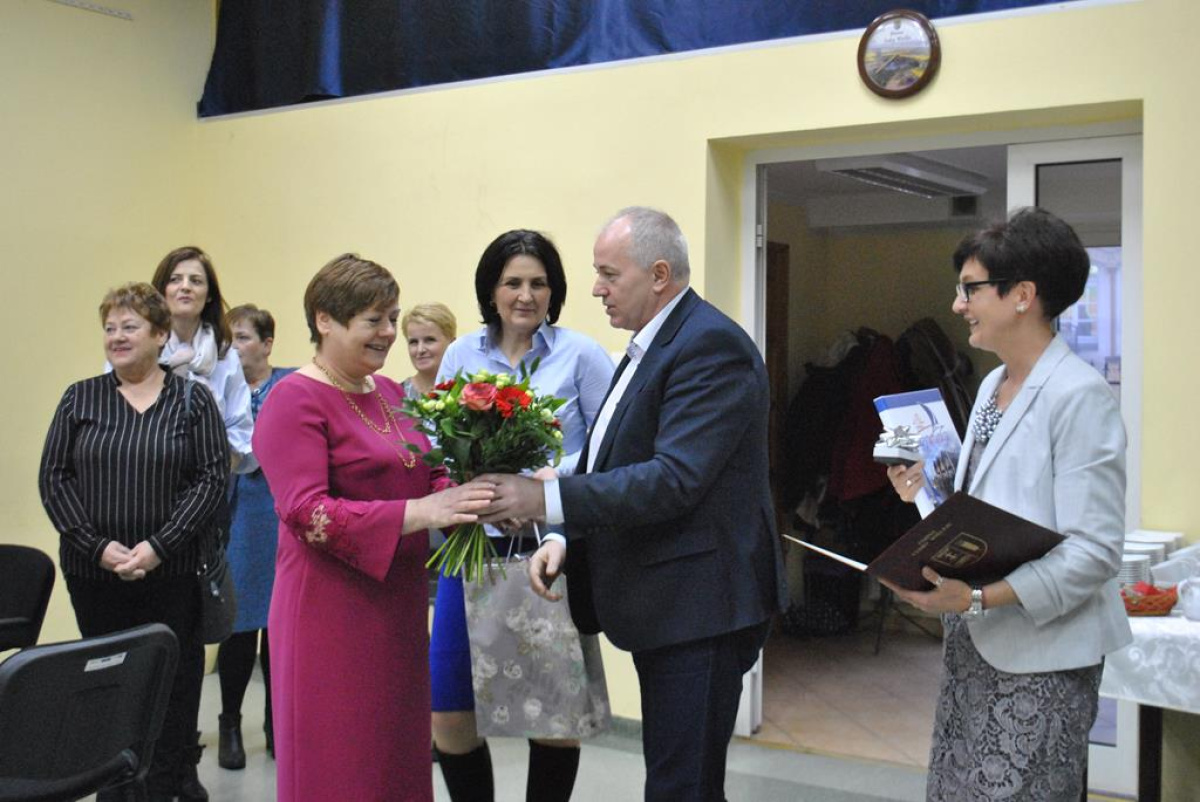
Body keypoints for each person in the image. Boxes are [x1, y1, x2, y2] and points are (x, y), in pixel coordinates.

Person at [479, 208, 787, 802]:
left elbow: (673, 480)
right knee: (679, 782)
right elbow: (613, 462)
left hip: (701, 608)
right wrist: (563, 533)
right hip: (671, 606)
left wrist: (546, 499)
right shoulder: (656, 341)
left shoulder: (710, 346)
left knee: (682, 787)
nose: (595, 288)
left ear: (659, 275)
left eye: (608, 274)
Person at [883, 207, 1131, 801]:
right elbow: (982, 505)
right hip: (973, 648)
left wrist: (977, 597)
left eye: (971, 289)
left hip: (1042, 660)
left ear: (1023, 295)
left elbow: (1095, 552)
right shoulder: (994, 385)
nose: (957, 305)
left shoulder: (1079, 396)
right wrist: (925, 491)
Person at [253, 254, 496, 802]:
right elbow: (308, 513)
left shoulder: (388, 392)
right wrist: (425, 512)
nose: (389, 333)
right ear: (324, 320)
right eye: (374, 320)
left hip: (396, 610)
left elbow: (427, 472)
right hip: (330, 616)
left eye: (392, 318)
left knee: (394, 757)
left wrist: (474, 498)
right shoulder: (292, 399)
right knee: (343, 762)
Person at [430, 229, 615, 802]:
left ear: (554, 291)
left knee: (553, 716)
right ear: (491, 290)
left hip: (547, 551)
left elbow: (611, 449)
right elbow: (441, 445)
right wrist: (476, 487)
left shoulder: (581, 355)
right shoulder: (461, 355)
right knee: (450, 715)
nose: (526, 295)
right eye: (513, 282)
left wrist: (545, 485)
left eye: (539, 283)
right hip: (470, 552)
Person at [39, 283, 229, 802]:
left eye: (130, 327)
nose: (117, 337)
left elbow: (211, 479)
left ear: (161, 335)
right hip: (94, 576)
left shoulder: (192, 399)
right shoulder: (80, 398)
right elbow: (54, 478)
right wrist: (96, 546)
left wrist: (159, 546)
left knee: (170, 687)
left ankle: (162, 785)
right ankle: (112, 787)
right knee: (108, 688)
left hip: (173, 575)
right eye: (110, 328)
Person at [214, 304, 294, 770]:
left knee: (281, 629)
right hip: (239, 514)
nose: (234, 347)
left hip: (283, 514)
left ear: (267, 344)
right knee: (239, 625)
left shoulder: (290, 385)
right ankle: (229, 723)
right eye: (228, 340)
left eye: (242, 338)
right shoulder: (218, 388)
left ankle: (275, 725)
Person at [149, 246, 254, 472]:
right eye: (175, 279)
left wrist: (211, 471)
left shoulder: (226, 356)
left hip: (211, 477)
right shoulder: (140, 349)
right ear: (161, 291)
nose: (185, 286)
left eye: (195, 281)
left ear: (209, 295)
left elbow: (241, 431)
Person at [401, 302, 457, 399]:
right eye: (413, 342)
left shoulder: (467, 394)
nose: (420, 350)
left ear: (452, 344)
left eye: (429, 340)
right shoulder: (395, 395)